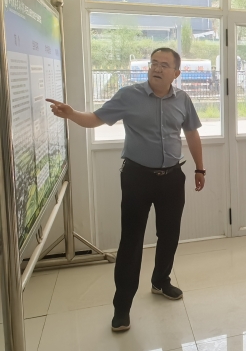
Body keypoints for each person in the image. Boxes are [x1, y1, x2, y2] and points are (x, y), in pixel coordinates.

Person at [47, 48, 205, 333]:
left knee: (169, 234)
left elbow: (192, 133)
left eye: (164, 65)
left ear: (176, 73)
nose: (157, 68)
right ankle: (122, 307)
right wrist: (71, 115)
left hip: (172, 177)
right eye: (153, 63)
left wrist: (199, 169)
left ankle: (161, 281)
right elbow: (95, 118)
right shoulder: (129, 95)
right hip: (137, 177)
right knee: (131, 241)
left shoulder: (183, 99)